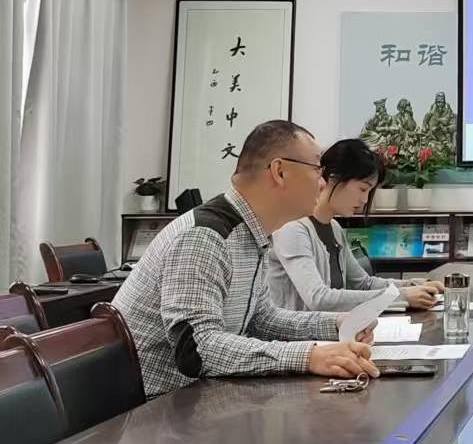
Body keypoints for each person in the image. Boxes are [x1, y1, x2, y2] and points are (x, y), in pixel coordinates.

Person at [113, 120, 380, 397]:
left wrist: (335, 324)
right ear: (280, 171)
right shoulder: (204, 237)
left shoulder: (251, 233)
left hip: (202, 397)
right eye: (317, 169)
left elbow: (260, 319)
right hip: (155, 407)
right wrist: (308, 356)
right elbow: (198, 349)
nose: (323, 182)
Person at [266, 139, 445, 312]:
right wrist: (402, 296)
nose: (365, 200)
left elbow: (364, 284)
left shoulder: (334, 228)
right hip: (301, 333)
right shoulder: (292, 229)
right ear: (333, 178)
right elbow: (319, 299)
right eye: (362, 189)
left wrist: (416, 285)